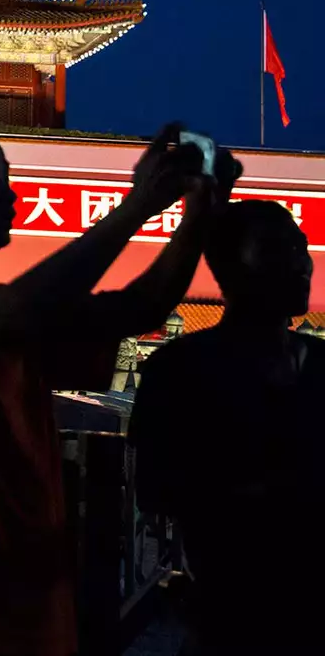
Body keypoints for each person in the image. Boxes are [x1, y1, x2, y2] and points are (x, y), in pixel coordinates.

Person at [0, 118, 234, 656]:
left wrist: (198, 213)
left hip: (32, 617)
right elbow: (21, 308)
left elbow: (138, 307)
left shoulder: (10, 318)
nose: (9, 193)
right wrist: (136, 207)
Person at [130, 200, 322, 655]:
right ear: (228, 266)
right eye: (278, 249)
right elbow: (155, 489)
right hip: (231, 618)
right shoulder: (179, 369)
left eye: (302, 247)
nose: (300, 263)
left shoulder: (321, 368)